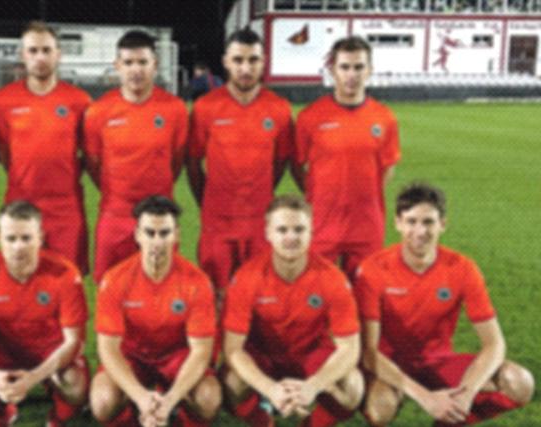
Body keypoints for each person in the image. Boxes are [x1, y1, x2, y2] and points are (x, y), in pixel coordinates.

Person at [355, 183, 535, 426]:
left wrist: (466, 395)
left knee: (520, 382)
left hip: (438, 362)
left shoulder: (462, 268)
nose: (420, 231)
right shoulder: (373, 270)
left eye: (428, 222)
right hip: (391, 365)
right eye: (411, 221)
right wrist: (425, 398)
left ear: (442, 224)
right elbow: (369, 352)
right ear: (398, 223)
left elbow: (494, 344)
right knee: (380, 408)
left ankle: (450, 421)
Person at [223, 195, 364, 426]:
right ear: (268, 233)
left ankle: (312, 424)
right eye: (282, 230)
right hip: (264, 357)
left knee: (353, 389)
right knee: (231, 382)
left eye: (299, 229)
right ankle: (262, 420)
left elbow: (349, 348)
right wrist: (270, 388)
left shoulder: (332, 278)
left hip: (310, 355)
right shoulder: (247, 278)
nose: (291, 237)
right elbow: (233, 350)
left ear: (311, 232)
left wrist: (314, 385)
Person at [0, 201, 89, 427]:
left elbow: (75, 342)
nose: (18, 247)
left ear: (40, 236)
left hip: (49, 352)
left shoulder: (64, 273)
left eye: (26, 238)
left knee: (77, 387)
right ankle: (1, 410)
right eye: (11, 239)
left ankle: (58, 416)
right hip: (0, 353)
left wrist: (34, 377)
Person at [90, 196, 221, 427]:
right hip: (132, 357)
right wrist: (141, 397)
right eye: (150, 233)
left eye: (165, 233)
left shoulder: (197, 282)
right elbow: (108, 349)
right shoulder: (114, 280)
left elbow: (200, 352)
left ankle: (177, 415)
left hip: (177, 358)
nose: (157, 241)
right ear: (138, 235)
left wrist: (170, 401)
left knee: (208, 400)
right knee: (102, 402)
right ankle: (134, 415)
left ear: (177, 235)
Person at [187, 28, 294, 293]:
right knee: (216, 297)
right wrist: (208, 201)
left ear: (264, 61)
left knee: (260, 296)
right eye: (238, 60)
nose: (245, 68)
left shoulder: (279, 108)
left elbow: (281, 162)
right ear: (225, 61)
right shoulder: (206, 108)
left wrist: (261, 193)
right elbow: (192, 162)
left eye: (253, 60)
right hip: (217, 222)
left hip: (260, 222)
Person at [84, 30, 189, 282]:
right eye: (129, 63)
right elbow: (93, 163)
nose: (136, 70)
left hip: (159, 218)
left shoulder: (174, 110)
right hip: (114, 215)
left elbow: (176, 160)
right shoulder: (99, 112)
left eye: (143, 62)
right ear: (117, 66)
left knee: (161, 287)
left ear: (155, 65)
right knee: (109, 287)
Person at [293, 36, 400, 279]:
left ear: (369, 70)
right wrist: (315, 194)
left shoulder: (384, 118)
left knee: (366, 297)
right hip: (323, 222)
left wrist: (364, 196)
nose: (352, 74)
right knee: (318, 295)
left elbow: (388, 167)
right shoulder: (310, 117)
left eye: (359, 67)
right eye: (345, 67)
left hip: (366, 225)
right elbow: (297, 164)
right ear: (333, 70)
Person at [0, 21, 91, 274]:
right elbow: (4, 150)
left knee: (67, 278)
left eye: (47, 50)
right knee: (20, 279)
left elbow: (89, 154)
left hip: (65, 206)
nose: (40, 57)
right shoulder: (3, 101)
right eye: (33, 51)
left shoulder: (79, 101)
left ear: (59, 54)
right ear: (23, 55)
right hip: (20, 201)